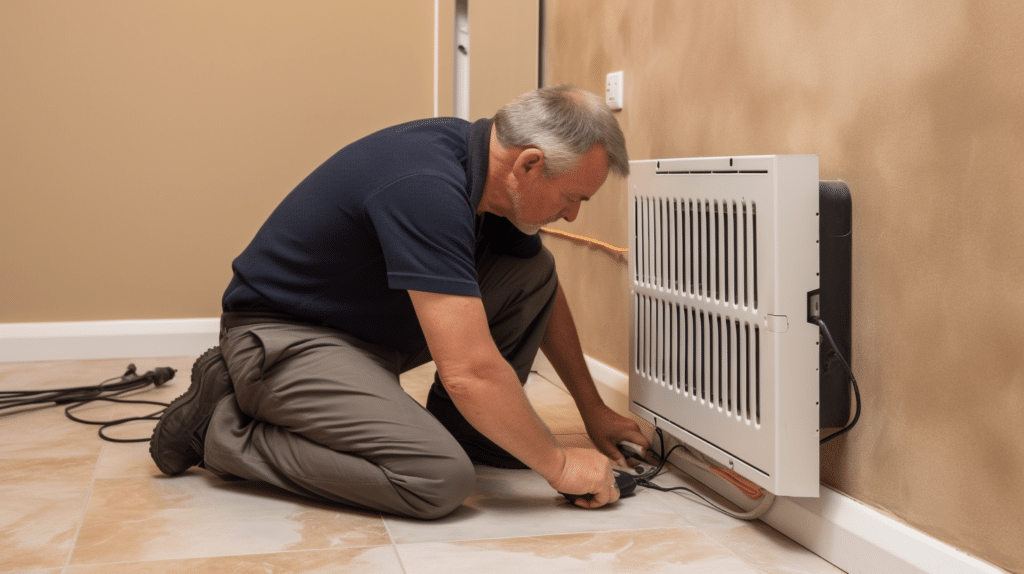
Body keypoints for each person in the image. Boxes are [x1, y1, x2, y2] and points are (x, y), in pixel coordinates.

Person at [150, 85, 650, 519]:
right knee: (436, 479)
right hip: (285, 337)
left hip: (368, 333)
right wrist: (558, 465)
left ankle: (474, 434)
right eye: (573, 198)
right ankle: (220, 430)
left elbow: (542, 293)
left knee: (533, 270)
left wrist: (592, 409)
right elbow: (469, 371)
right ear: (531, 164)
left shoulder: (490, 179)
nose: (571, 217)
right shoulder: (426, 186)